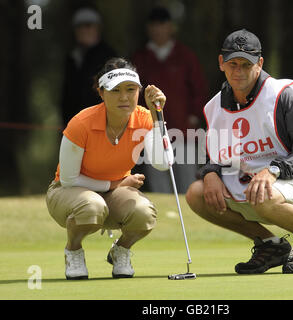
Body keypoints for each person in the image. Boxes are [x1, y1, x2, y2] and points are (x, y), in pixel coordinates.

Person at [185, 29, 293, 274]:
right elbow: (215, 155)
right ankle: (271, 245)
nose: (238, 71)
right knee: (197, 193)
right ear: (221, 63)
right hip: (258, 187)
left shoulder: (282, 96)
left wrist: (273, 170)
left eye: (246, 64)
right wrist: (211, 173)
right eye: (232, 64)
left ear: (259, 64)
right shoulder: (214, 106)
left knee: (261, 192)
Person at [46, 57, 166, 280]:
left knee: (144, 213)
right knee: (92, 206)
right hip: (67, 191)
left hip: (114, 193)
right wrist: (116, 184)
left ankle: (121, 250)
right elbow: (70, 179)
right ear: (101, 93)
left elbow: (162, 163)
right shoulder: (82, 123)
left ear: (139, 91)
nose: (124, 97)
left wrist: (158, 116)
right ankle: (73, 250)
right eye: (115, 90)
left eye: (131, 89)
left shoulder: (144, 118)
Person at [132, 6, 208, 194]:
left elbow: (199, 89)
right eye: (154, 25)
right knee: (158, 180)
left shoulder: (185, 56)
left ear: (171, 27)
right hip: (152, 130)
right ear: (148, 28)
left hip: (183, 130)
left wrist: (193, 115)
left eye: (162, 25)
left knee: (187, 182)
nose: (158, 30)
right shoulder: (140, 58)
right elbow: (134, 93)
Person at [60, 7, 116, 126]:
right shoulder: (72, 57)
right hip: (75, 126)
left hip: (101, 125)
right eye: (79, 26)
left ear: (98, 28)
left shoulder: (109, 57)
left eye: (88, 25)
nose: (83, 30)